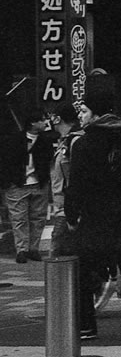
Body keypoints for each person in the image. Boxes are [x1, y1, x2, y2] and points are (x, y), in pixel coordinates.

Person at [67, 82, 121, 341]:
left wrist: (72, 215)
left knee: (85, 272)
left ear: (95, 112)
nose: (81, 116)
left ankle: (86, 325)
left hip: (95, 217)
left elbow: (76, 184)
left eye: (83, 111)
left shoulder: (83, 145)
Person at [2, 111, 53, 262]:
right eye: (42, 120)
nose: (45, 123)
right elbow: (6, 162)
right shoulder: (14, 140)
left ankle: (33, 249)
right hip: (18, 184)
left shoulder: (45, 140)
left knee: (38, 218)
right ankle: (21, 250)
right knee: (19, 219)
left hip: (39, 183)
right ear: (32, 123)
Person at [46, 103, 84, 258]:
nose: (49, 120)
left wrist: (72, 209)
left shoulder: (75, 141)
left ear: (58, 118)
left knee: (57, 251)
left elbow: (74, 177)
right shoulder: (64, 141)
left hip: (69, 206)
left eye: (52, 116)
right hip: (63, 205)